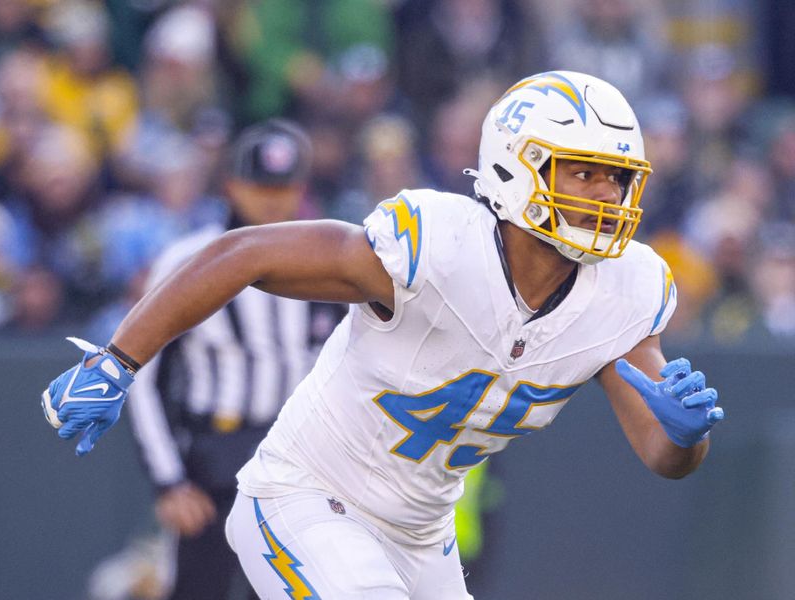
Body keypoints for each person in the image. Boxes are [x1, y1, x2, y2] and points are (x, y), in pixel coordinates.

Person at [42, 71, 724, 599]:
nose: (604, 194)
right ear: (520, 165)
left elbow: (662, 456)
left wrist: (689, 438)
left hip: (423, 535)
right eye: (582, 171)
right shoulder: (438, 247)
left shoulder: (627, 291)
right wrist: (117, 360)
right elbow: (243, 252)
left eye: (617, 177)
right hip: (305, 494)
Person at [126, 119, 345, 600]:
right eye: (260, 186)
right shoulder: (189, 260)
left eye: (284, 187)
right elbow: (142, 377)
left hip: (300, 469)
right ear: (230, 185)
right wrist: (170, 481)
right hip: (214, 462)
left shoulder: (330, 265)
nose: (272, 199)